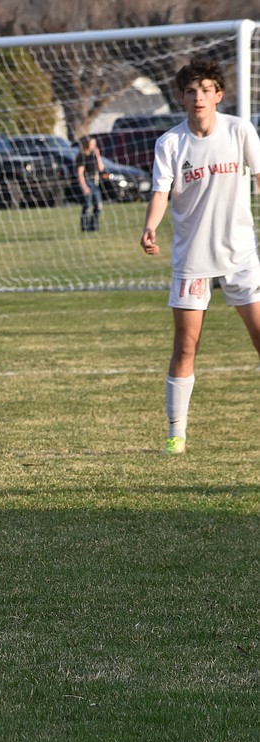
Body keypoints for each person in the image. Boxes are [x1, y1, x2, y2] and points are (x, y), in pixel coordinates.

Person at [140, 58, 260, 455]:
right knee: (186, 346)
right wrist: (150, 226)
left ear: (218, 95)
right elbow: (160, 191)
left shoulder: (240, 131)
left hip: (241, 255)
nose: (198, 98)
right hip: (192, 259)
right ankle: (177, 434)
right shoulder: (170, 143)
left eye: (206, 90)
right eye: (191, 91)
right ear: (181, 98)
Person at [75, 136, 105, 231]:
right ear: (87, 144)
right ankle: (85, 227)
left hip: (95, 182)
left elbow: (101, 169)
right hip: (87, 182)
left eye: (94, 144)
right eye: (92, 144)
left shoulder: (94, 155)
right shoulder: (82, 156)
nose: (94, 146)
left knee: (98, 205)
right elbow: (80, 173)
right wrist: (84, 186)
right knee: (87, 205)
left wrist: (98, 156)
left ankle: (94, 226)